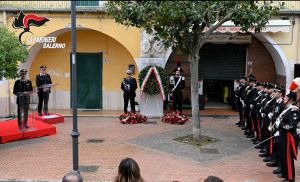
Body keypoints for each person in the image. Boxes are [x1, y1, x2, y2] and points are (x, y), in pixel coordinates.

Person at [274, 91, 299, 182]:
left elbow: (291, 125)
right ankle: (285, 175)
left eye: (285, 97)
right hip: (283, 134)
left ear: (289, 99)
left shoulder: (294, 109)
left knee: (287, 156)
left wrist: (280, 126)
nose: (284, 98)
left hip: (289, 137)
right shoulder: (287, 108)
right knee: (283, 155)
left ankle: (290, 178)